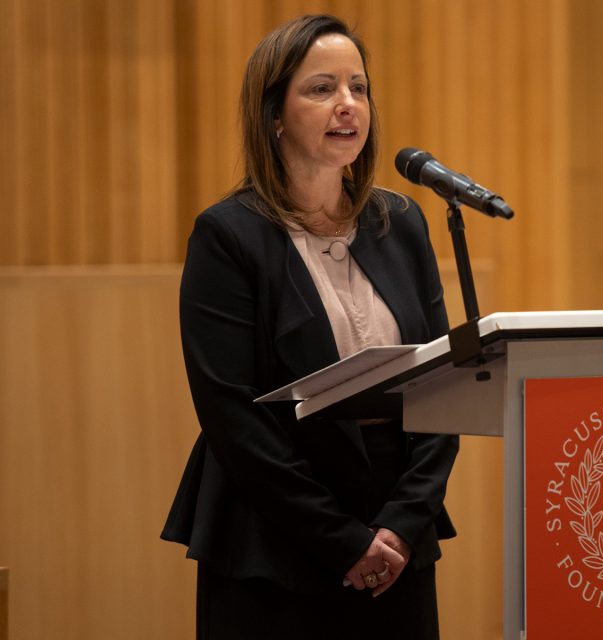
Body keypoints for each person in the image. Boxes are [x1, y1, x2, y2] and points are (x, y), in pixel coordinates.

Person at [161, 14, 458, 639]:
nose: (347, 104)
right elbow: (232, 417)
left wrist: (401, 525)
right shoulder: (229, 236)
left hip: (397, 531)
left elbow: (444, 385)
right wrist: (341, 540)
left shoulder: (401, 222)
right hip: (275, 538)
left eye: (359, 87)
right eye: (321, 88)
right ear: (274, 114)